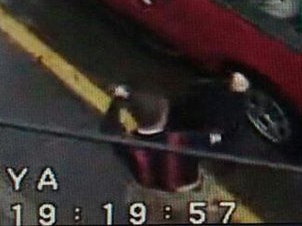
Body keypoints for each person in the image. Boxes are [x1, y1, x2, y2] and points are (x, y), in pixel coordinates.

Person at [102, 75, 249, 221]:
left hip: (147, 196)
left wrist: (118, 100)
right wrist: (239, 97)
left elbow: (109, 128)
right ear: (165, 115)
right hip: (186, 198)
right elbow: (229, 137)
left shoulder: (127, 145)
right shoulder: (187, 141)